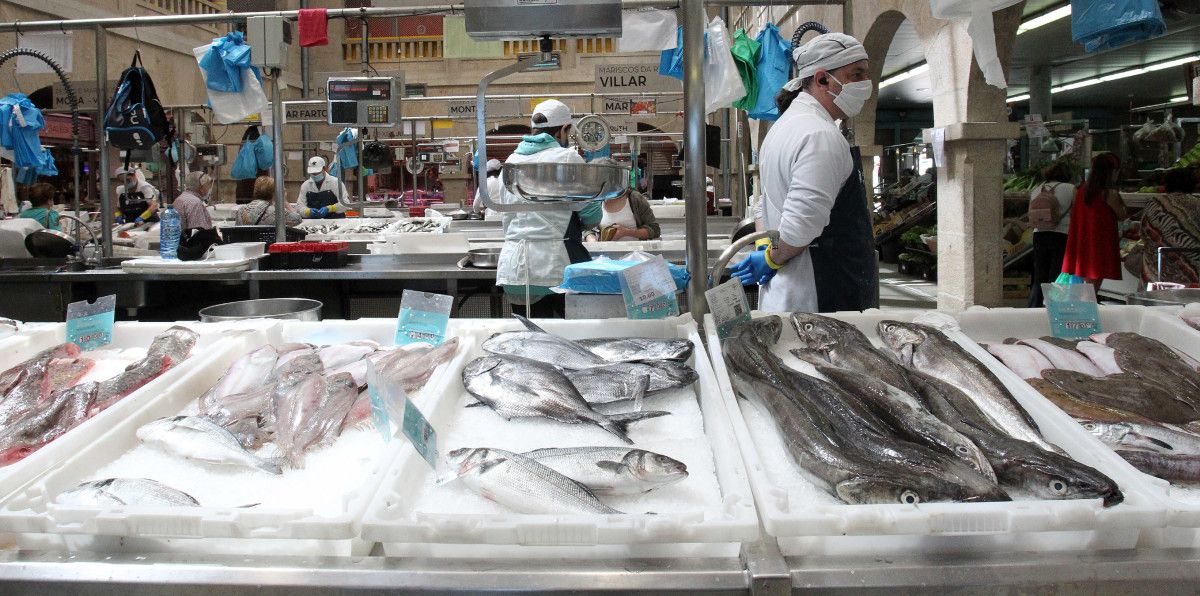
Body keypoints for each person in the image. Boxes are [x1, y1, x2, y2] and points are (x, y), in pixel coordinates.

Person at [731, 32, 878, 313]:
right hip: (822, 294)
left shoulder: (783, 127)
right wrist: (772, 259)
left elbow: (765, 202)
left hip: (787, 290)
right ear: (822, 79)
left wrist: (766, 248)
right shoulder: (820, 135)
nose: (865, 85)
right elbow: (800, 227)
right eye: (856, 74)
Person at [496, 99, 601, 318]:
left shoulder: (510, 161)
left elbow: (507, 221)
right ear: (564, 129)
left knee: (528, 342)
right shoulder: (567, 158)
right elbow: (591, 215)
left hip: (513, 270)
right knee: (567, 343)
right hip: (555, 270)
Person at [1062, 152, 1128, 294]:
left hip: (1082, 242)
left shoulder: (1080, 191)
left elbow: (1076, 213)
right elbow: (1122, 215)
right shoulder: (1109, 194)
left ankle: (1083, 312)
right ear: (1111, 172)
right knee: (1091, 290)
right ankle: (1086, 314)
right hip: (1100, 244)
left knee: (1085, 287)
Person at [1027, 161, 1077, 307]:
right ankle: (1054, 307)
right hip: (1061, 234)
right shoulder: (1071, 188)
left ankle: (1034, 307)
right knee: (1057, 273)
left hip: (1039, 234)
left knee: (1039, 274)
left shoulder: (1037, 190)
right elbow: (1077, 212)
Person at [1140, 167, 1200, 285]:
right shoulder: (1197, 202)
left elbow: (1143, 233)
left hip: (1158, 268)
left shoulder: (1155, 202)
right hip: (1193, 270)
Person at [237, 176, 303, 226]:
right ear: (274, 193)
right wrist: (284, 201)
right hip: (268, 243)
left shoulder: (241, 211)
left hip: (247, 244)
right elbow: (297, 219)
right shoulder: (276, 212)